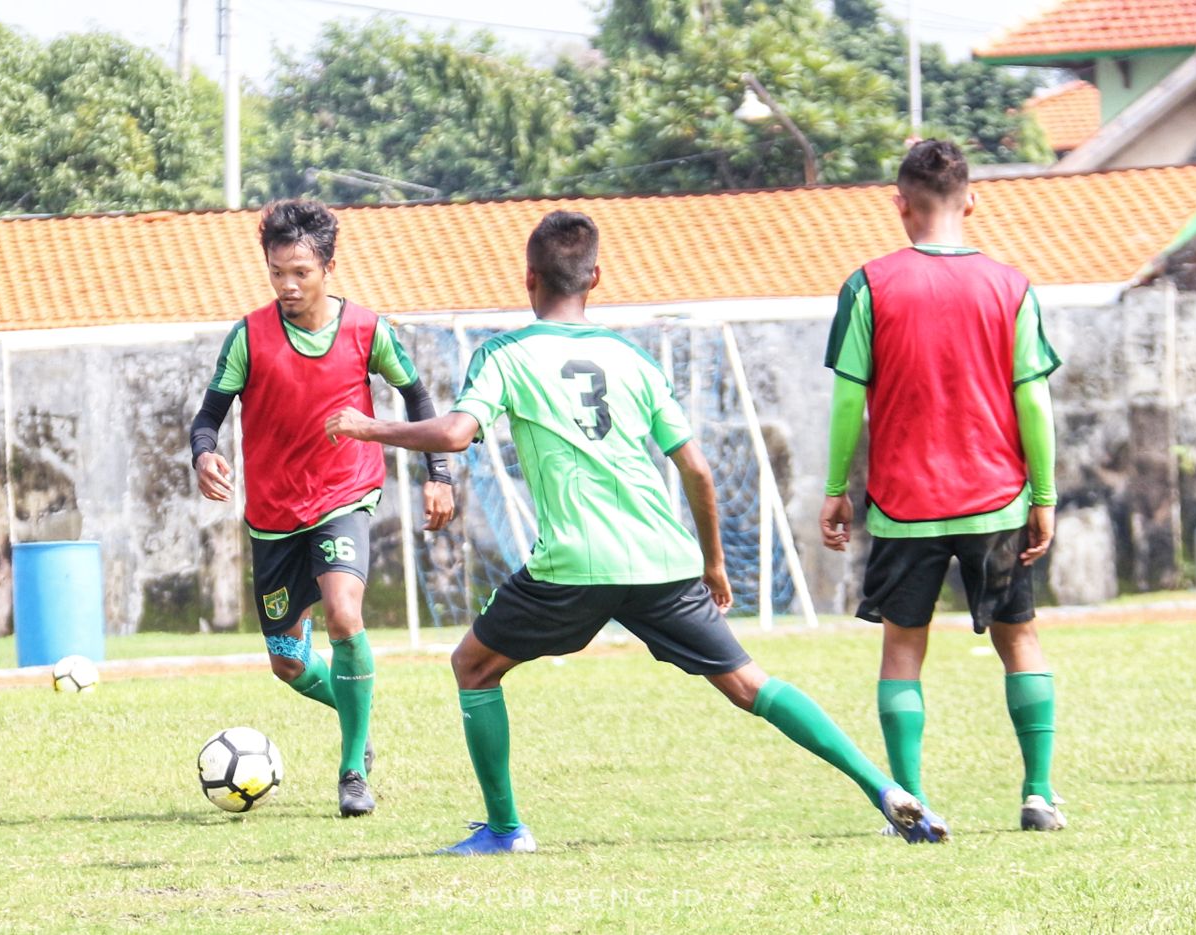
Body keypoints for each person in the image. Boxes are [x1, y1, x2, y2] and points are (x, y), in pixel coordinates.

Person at [324, 210, 948, 855]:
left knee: (474, 667)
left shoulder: (504, 354)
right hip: (662, 558)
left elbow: (455, 434)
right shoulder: (633, 359)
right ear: (596, 276)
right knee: (749, 684)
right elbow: (698, 469)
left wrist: (368, 428)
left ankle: (506, 830)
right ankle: (884, 788)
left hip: (573, 564)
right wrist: (713, 563)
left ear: (529, 277)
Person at [818, 139, 1064, 832]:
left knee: (903, 647)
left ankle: (912, 800)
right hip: (998, 498)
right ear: (973, 199)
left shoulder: (868, 284)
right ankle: (1039, 791)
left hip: (902, 506)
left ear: (900, 205)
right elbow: (1034, 401)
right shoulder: (1012, 286)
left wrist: (837, 487)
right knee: (1019, 637)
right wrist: (1043, 495)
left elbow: (846, 401)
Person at [189, 199, 455, 818]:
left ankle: (353, 768)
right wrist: (204, 456)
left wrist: (437, 473)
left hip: (344, 496)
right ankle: (356, 706)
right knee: (287, 663)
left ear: (329, 267)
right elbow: (209, 418)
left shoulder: (368, 330)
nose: (287, 285)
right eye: (277, 271)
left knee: (343, 614)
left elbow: (420, 402)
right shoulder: (248, 336)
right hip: (274, 513)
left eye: (300, 272)